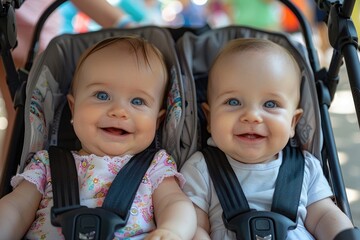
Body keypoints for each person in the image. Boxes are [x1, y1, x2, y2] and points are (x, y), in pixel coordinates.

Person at [0, 36, 197, 239]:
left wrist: (172, 230)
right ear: (73, 108)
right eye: (102, 96)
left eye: (138, 101)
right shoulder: (46, 163)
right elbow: (16, 208)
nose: (119, 111)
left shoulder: (156, 166)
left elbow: (175, 203)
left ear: (158, 121)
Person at [180, 38, 354, 239]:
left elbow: (324, 215)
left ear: (292, 122)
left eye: (270, 104)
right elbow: (195, 226)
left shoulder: (305, 168)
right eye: (233, 101)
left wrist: (343, 235)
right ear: (209, 118)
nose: (252, 116)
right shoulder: (200, 170)